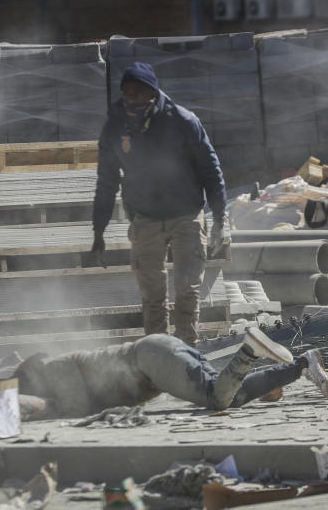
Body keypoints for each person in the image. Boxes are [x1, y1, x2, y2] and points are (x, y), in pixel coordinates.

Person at [91, 62, 229, 346]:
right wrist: (98, 231)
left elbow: (210, 169)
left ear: (153, 94)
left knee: (187, 291)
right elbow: (106, 181)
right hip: (145, 218)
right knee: (152, 296)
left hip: (186, 215)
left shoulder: (182, 121)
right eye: (128, 94)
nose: (134, 100)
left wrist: (219, 219)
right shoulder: (116, 126)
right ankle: (157, 356)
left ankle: (186, 351)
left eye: (140, 94)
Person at [12, 327, 328, 420]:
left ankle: (249, 350)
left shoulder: (54, 369)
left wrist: (35, 408)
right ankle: (303, 364)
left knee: (216, 400)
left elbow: (76, 406)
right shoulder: (60, 367)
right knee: (231, 395)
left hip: (152, 360)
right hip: (157, 355)